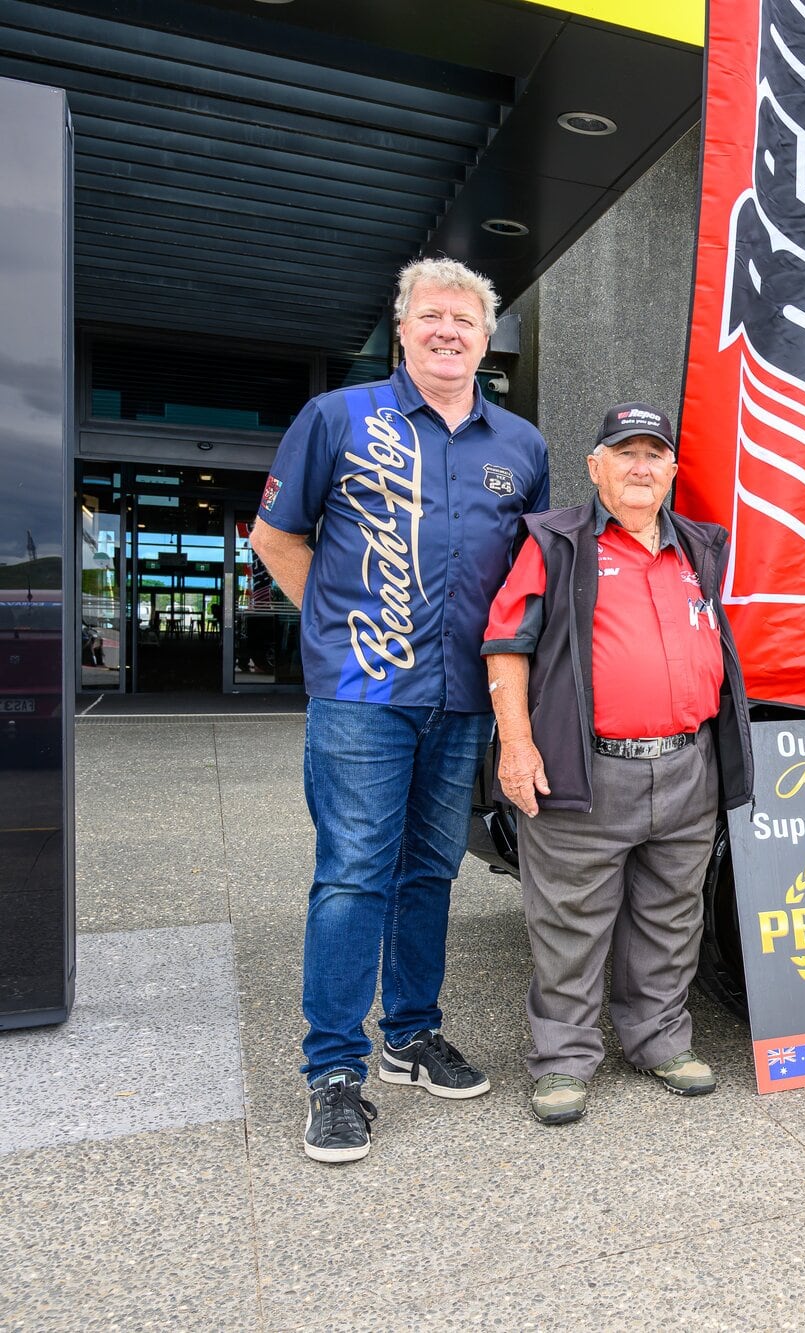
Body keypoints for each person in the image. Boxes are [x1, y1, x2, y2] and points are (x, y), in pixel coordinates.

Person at [250, 257, 550, 1163]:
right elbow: (274, 534)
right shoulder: (340, 418)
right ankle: (334, 1074)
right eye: (432, 316)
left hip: (462, 700)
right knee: (352, 874)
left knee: (429, 873)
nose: (449, 329)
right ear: (403, 327)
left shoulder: (521, 447)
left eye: (466, 318)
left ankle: (410, 1035)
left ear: (487, 338)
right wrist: (337, 633)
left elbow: (526, 578)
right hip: (363, 698)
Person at [481, 402, 753, 1125]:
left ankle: (658, 1039)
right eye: (624, 453)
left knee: (671, 918)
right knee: (570, 925)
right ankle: (563, 1061)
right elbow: (506, 641)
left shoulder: (699, 545)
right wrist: (517, 742)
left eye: (653, 455)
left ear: (671, 469)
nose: (640, 467)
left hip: (687, 765)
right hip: (588, 769)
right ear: (595, 465)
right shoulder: (557, 540)